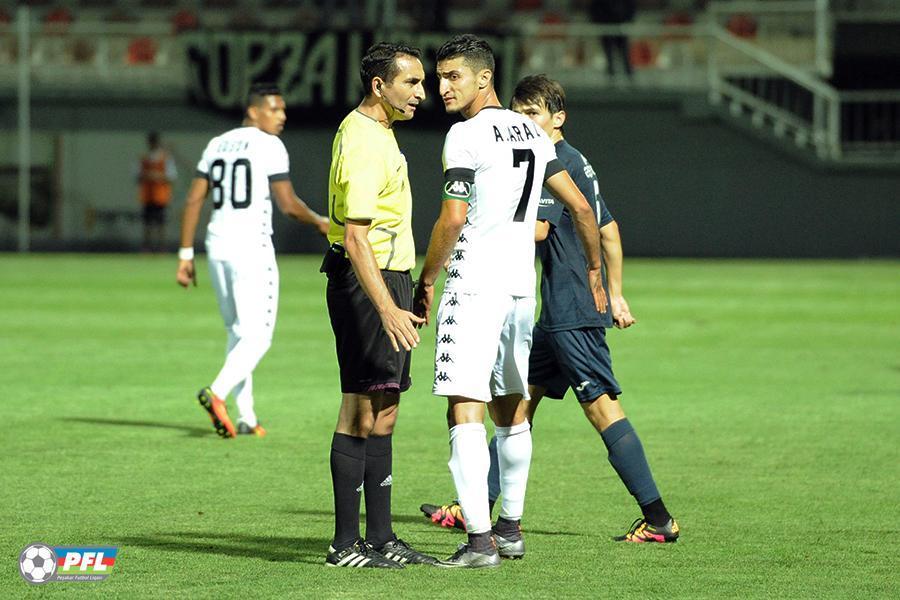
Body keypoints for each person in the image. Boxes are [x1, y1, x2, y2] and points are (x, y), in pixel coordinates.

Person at [420, 74, 680, 545]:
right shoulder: (575, 160)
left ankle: (658, 517)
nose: (524, 122)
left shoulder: (551, 160)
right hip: (557, 310)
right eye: (519, 112)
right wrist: (615, 290)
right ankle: (479, 507)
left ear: (558, 118)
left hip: (569, 309)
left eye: (533, 114)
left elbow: (539, 227)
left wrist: (489, 215)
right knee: (517, 409)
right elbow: (608, 228)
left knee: (601, 408)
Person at [413, 36, 606, 569]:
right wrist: (594, 269)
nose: (442, 86)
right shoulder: (532, 133)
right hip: (520, 288)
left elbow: (453, 217)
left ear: (484, 78)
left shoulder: (464, 135)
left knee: (464, 407)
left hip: (474, 284)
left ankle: (479, 542)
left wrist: (427, 278)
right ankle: (511, 529)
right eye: (439, 76)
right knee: (512, 409)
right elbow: (581, 209)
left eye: (453, 76)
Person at [321, 42, 436, 569]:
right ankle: (344, 544)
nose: (422, 93)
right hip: (367, 282)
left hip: (391, 278)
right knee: (360, 408)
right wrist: (387, 307)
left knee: (386, 407)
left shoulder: (380, 132)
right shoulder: (365, 140)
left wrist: (406, 290)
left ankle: (382, 537)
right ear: (379, 85)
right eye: (411, 82)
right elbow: (356, 237)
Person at [175, 82, 328, 439]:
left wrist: (185, 253)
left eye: (283, 109)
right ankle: (217, 393)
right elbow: (288, 205)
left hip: (217, 244)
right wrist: (320, 221)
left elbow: (194, 199)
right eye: (274, 109)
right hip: (250, 246)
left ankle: (246, 416)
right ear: (253, 111)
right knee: (259, 338)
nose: (282, 115)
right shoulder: (269, 144)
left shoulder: (217, 144)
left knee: (238, 332)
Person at [136, 132, 177, 252]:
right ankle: (146, 247)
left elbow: (171, 176)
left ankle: (161, 247)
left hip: (160, 196)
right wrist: (147, 176)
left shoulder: (165, 158)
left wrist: (157, 176)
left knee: (161, 223)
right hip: (147, 195)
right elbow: (137, 176)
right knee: (147, 223)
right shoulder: (144, 158)